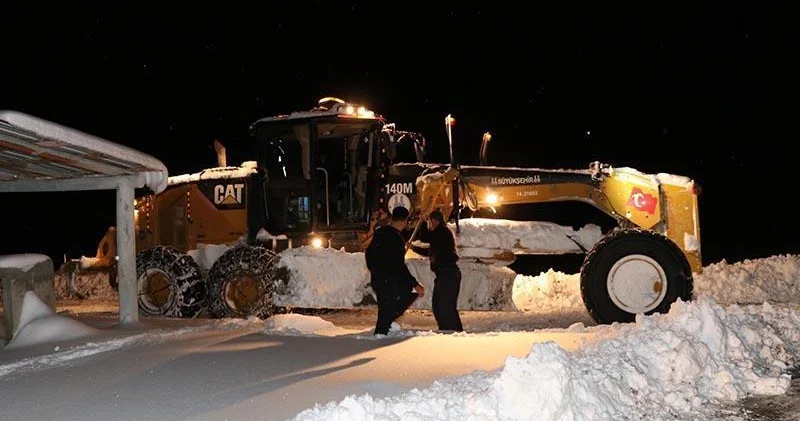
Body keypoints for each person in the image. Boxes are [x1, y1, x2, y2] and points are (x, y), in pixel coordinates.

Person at [365, 206, 425, 335]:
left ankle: (386, 328)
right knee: (389, 309)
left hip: (378, 278)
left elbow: (369, 254)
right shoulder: (396, 239)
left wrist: (375, 270)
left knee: (387, 308)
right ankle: (380, 336)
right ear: (404, 221)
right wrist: (415, 284)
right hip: (389, 280)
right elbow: (399, 266)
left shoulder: (380, 233)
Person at [411, 209, 463, 332]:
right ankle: (445, 329)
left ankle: (455, 332)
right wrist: (413, 248)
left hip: (449, 274)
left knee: (447, 307)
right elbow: (429, 251)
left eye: (430, 222)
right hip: (443, 275)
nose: (429, 225)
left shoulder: (443, 232)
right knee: (438, 306)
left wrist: (423, 222)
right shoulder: (439, 237)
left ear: (434, 221)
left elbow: (424, 237)